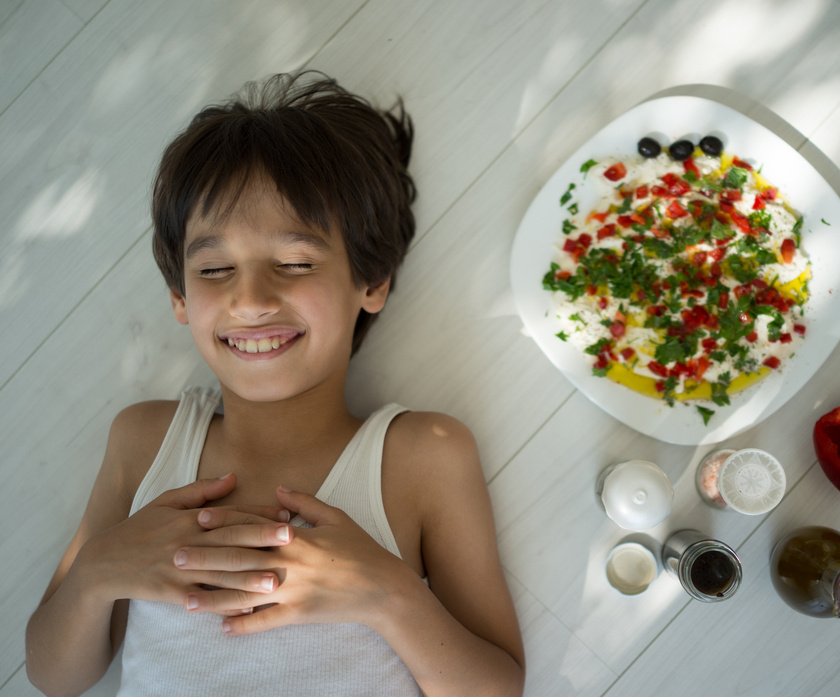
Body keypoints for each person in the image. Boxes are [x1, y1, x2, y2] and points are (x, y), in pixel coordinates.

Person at [25, 71, 525, 697]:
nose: (251, 298)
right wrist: (98, 571)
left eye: (294, 263)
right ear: (180, 296)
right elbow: (54, 676)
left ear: (370, 282)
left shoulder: (424, 455)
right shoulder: (145, 440)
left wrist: (390, 596)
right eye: (213, 268)